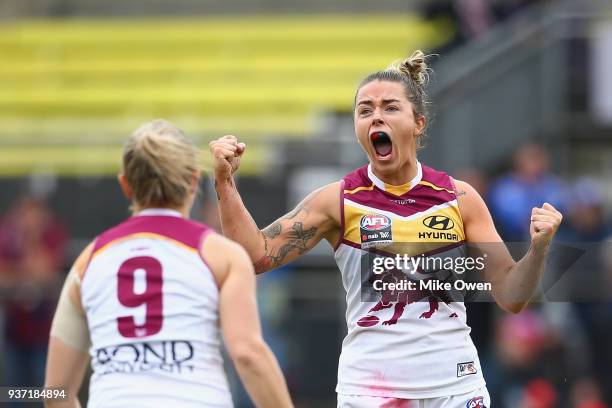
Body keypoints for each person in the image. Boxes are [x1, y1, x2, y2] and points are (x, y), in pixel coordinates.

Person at [209, 50, 563, 407]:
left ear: (418, 123)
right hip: (372, 392)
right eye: (365, 110)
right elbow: (254, 256)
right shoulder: (337, 201)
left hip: (456, 389)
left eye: (390, 107)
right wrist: (225, 183)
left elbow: (512, 296)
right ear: (357, 128)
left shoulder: (460, 198)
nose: (376, 116)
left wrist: (539, 248)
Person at [44, 120, 293, 408]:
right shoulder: (221, 255)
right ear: (192, 181)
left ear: (125, 184)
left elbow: (55, 391)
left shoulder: (88, 261)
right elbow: (248, 354)